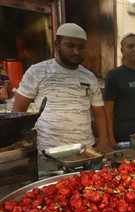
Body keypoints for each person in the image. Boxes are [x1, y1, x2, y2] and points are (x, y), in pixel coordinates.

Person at [12, 23, 110, 152]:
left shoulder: (89, 77)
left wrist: (103, 140)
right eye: (70, 45)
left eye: (81, 47)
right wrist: (21, 142)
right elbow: (18, 111)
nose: (76, 51)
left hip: (85, 150)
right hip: (48, 151)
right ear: (57, 44)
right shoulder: (37, 71)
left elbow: (99, 113)